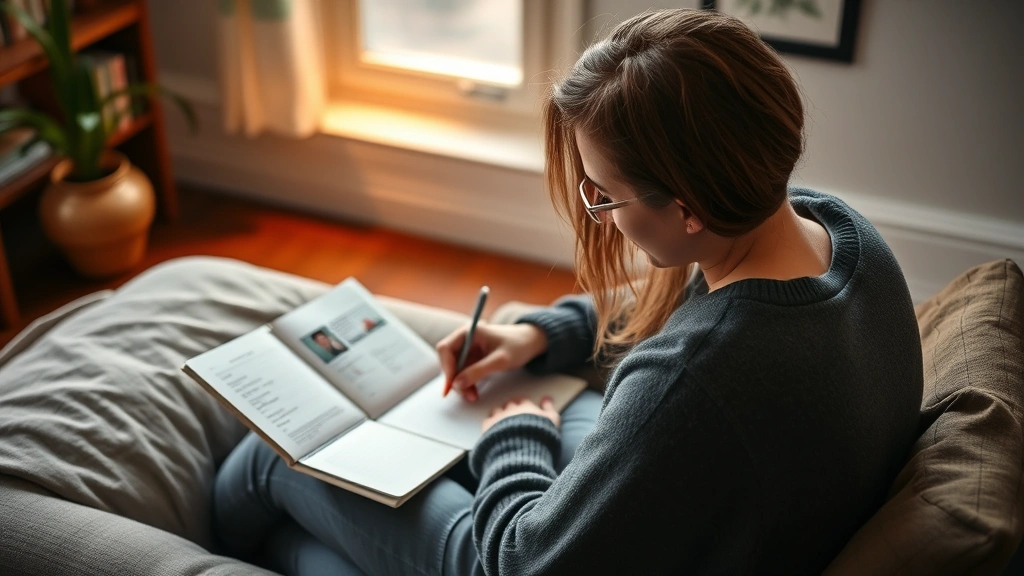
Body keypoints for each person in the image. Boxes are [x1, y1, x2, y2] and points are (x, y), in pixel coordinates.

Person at [212, 8, 923, 575]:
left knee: (284, 454)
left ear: (686, 209)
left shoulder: (693, 381)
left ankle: (211, 550)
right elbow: (686, 293)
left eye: (603, 195)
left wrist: (515, 437)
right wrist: (537, 335)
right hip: (708, 510)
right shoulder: (839, 234)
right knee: (313, 539)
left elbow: (520, 564)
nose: (597, 211)